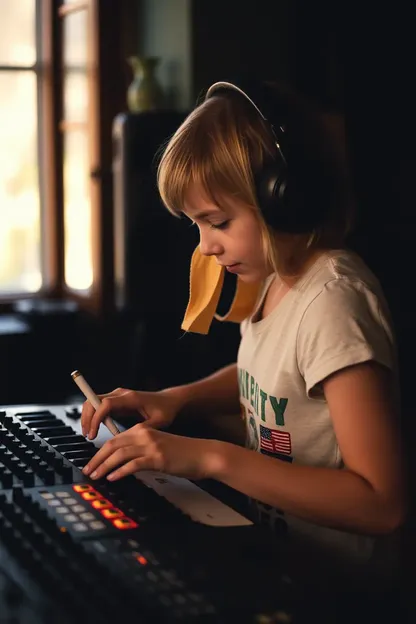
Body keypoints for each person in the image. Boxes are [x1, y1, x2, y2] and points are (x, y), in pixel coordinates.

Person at [80, 79, 406, 584]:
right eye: (197, 226)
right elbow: (272, 375)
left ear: (285, 199)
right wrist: (176, 398)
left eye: (218, 222)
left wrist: (212, 458)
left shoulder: (334, 302)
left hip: (342, 589)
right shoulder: (277, 277)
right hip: (287, 563)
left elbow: (381, 504)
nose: (207, 246)